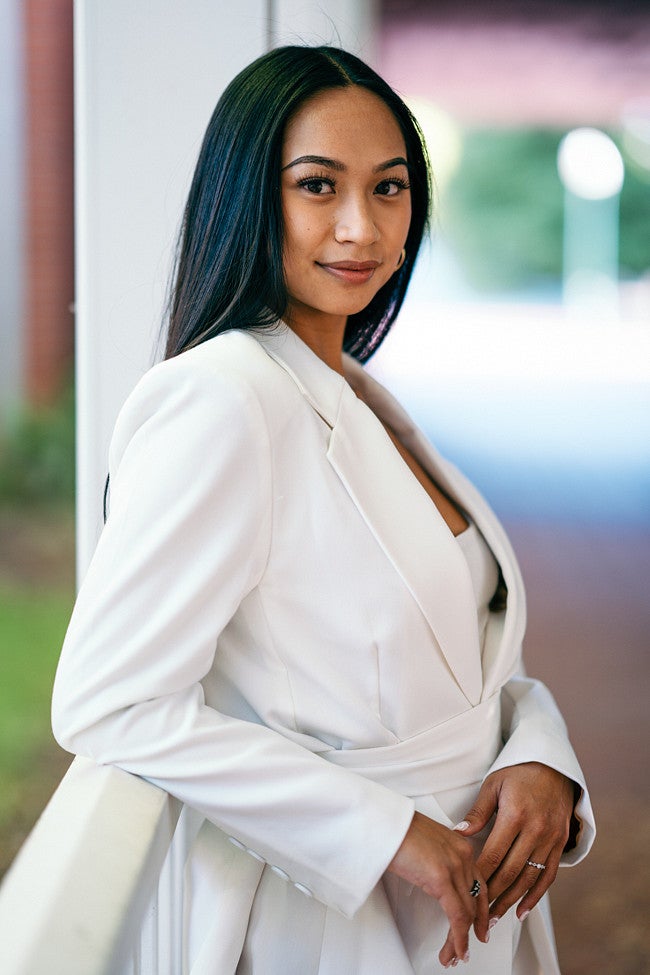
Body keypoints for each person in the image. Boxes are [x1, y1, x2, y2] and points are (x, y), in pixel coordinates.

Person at [52, 45, 595, 974]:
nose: (361, 226)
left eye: (389, 188)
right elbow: (110, 700)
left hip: (470, 896)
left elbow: (463, 647)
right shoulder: (221, 399)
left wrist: (543, 756)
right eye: (317, 185)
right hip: (331, 918)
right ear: (248, 197)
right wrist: (389, 835)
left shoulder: (356, 394)